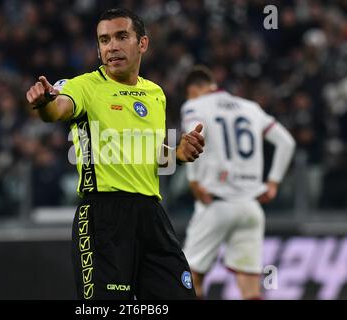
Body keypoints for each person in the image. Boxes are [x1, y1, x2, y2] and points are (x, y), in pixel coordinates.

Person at [25, 8, 204, 300]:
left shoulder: (155, 93)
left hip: (151, 216)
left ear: (142, 44)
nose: (112, 46)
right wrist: (44, 102)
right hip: (103, 217)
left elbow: (151, 153)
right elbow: (56, 110)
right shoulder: (84, 86)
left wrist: (178, 154)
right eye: (104, 40)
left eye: (121, 37)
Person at [181, 65, 296, 299]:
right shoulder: (250, 107)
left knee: (190, 278)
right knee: (250, 289)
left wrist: (193, 181)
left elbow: (194, 138)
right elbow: (286, 142)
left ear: (193, 89)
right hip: (251, 208)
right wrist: (273, 182)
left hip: (216, 203)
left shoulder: (194, 105)